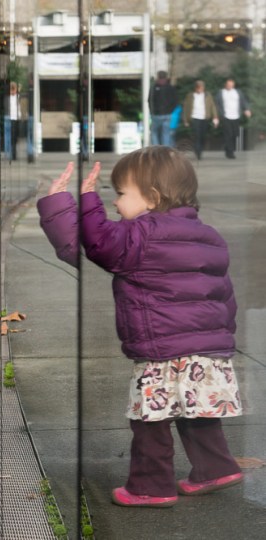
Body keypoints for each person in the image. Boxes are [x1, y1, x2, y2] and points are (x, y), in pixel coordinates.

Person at [38, 146, 242, 508]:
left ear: (152, 198)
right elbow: (224, 295)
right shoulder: (210, 236)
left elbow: (97, 243)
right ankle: (216, 468)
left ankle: (151, 487)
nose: (115, 203)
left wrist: (80, 200)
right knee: (197, 412)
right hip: (209, 350)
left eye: (120, 193)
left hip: (162, 352)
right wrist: (223, 337)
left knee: (150, 421)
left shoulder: (141, 235)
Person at [215, 78, 251, 159]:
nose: (230, 86)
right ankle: (230, 153)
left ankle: (228, 148)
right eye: (228, 85)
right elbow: (216, 104)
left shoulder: (238, 92)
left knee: (235, 134)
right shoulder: (221, 93)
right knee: (228, 134)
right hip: (226, 117)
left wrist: (246, 109)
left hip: (236, 116)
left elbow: (243, 101)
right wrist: (217, 115)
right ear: (225, 85)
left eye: (231, 85)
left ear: (233, 85)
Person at [181, 80, 218, 160]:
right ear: (195, 88)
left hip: (204, 118)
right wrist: (185, 120)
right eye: (198, 88)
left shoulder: (207, 95)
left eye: (201, 88)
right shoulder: (190, 96)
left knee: (203, 136)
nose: (200, 90)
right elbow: (185, 108)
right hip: (194, 117)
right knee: (197, 135)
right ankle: (198, 152)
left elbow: (212, 106)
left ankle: (200, 149)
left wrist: (215, 116)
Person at [149, 71, 178, 147]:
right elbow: (175, 101)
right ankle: (165, 149)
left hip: (156, 114)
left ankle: (156, 149)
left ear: (158, 77)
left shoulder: (154, 88)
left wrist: (152, 111)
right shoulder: (171, 88)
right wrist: (170, 111)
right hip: (167, 114)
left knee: (154, 132)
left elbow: (150, 100)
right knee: (166, 133)